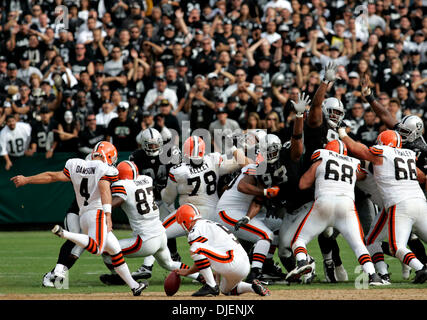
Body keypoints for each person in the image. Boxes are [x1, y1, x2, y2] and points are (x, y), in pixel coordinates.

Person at [10, 141, 147, 295]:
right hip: (97, 214)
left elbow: (52, 176)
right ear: (108, 156)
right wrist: (108, 215)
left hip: (84, 214)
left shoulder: (75, 164)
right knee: (97, 249)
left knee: (115, 250)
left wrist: (27, 179)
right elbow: (104, 191)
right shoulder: (105, 169)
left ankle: (134, 286)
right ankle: (64, 233)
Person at [284, 139, 385, 285]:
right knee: (358, 244)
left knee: (298, 240)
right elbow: (363, 176)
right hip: (346, 204)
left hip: (324, 202)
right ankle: (372, 275)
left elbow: (303, 184)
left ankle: (301, 263)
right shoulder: (353, 162)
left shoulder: (322, 157)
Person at [338, 129, 427, 284]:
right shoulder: (408, 155)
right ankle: (386, 274)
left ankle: (420, 268)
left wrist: (343, 134)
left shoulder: (383, 152)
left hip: (399, 204)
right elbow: (422, 177)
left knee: (395, 246)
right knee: (374, 240)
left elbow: (358, 150)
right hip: (420, 202)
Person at [98, 161, 202, 285]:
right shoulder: (146, 180)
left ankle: (120, 278)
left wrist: (101, 207)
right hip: (161, 234)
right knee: (169, 263)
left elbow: (118, 199)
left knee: (106, 250)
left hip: (145, 240)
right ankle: (200, 276)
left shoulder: (123, 185)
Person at [174, 203, 271, 297]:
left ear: (185, 220)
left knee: (196, 248)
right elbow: (208, 257)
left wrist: (188, 272)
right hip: (242, 264)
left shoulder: (196, 230)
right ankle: (252, 287)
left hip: (232, 261)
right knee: (225, 289)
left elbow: (200, 253)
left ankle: (211, 286)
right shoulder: (208, 224)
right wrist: (189, 272)